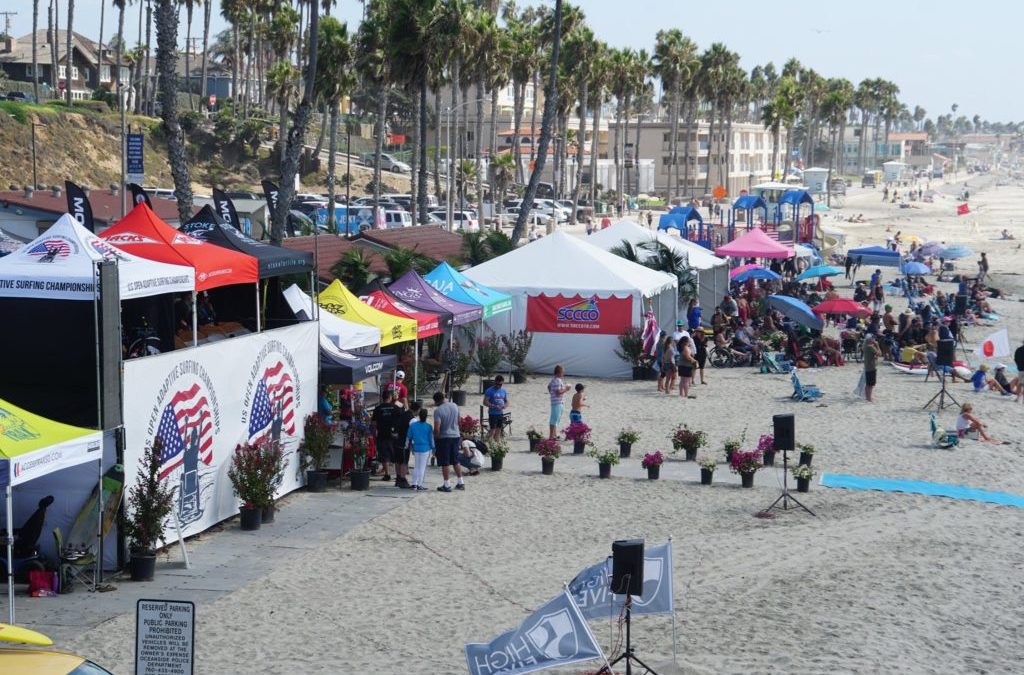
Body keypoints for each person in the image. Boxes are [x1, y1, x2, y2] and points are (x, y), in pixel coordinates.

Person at [432, 391, 464, 492]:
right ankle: (460, 482)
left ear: (436, 401)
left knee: (445, 462)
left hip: (444, 437)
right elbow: (459, 421)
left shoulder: (438, 411)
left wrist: (435, 438)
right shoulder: (454, 405)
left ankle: (447, 484)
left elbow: (437, 428)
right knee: (455, 460)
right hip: (455, 435)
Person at [371, 390, 401, 483]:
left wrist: (374, 435)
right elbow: (401, 421)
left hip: (382, 434)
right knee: (396, 455)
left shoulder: (378, 409)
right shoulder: (396, 408)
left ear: (382, 398)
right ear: (390, 397)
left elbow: (374, 423)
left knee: (384, 455)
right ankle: (398, 475)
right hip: (394, 434)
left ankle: (387, 474)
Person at [405, 407, 434, 491]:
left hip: (416, 448)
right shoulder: (428, 427)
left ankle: (414, 484)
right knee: (422, 468)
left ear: (419, 416)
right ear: (426, 417)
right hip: (425, 448)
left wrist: (407, 446)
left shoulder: (413, 425)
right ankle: (420, 484)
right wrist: (434, 448)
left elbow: (408, 436)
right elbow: (431, 439)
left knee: (416, 466)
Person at [392, 401, 416, 488]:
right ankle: (403, 479)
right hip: (404, 442)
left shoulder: (403, 414)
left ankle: (398, 478)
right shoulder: (412, 419)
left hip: (397, 441)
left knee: (398, 461)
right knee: (404, 461)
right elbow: (413, 432)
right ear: (417, 410)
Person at [547, 365, 571, 439]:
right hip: (557, 402)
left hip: (556, 401)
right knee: (554, 419)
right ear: (559, 372)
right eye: (562, 372)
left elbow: (548, 386)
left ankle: (554, 434)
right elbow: (558, 392)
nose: (563, 374)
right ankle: (551, 436)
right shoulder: (557, 380)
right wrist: (566, 389)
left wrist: (551, 393)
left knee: (556, 419)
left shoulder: (554, 379)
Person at [482, 375, 508, 441]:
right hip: (492, 413)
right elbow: (485, 402)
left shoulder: (503, 391)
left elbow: (506, 401)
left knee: (499, 430)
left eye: (500, 384)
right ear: (495, 382)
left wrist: (505, 406)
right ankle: (489, 444)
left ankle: (496, 446)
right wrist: (494, 406)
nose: (498, 386)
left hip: (500, 413)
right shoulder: (489, 390)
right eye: (497, 384)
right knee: (492, 430)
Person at [862, 334, 881, 402]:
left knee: (868, 384)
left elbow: (873, 355)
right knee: (871, 384)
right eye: (873, 339)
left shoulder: (865, 346)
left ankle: (868, 397)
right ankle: (869, 398)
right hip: (871, 367)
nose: (874, 340)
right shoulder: (870, 347)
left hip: (867, 366)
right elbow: (880, 354)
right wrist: (877, 345)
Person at [1015, 337, 1024, 404]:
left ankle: (1018, 397)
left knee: (1019, 384)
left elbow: (1015, 359)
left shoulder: (1018, 349)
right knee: (1021, 384)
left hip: (1020, 369)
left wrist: (1018, 365)